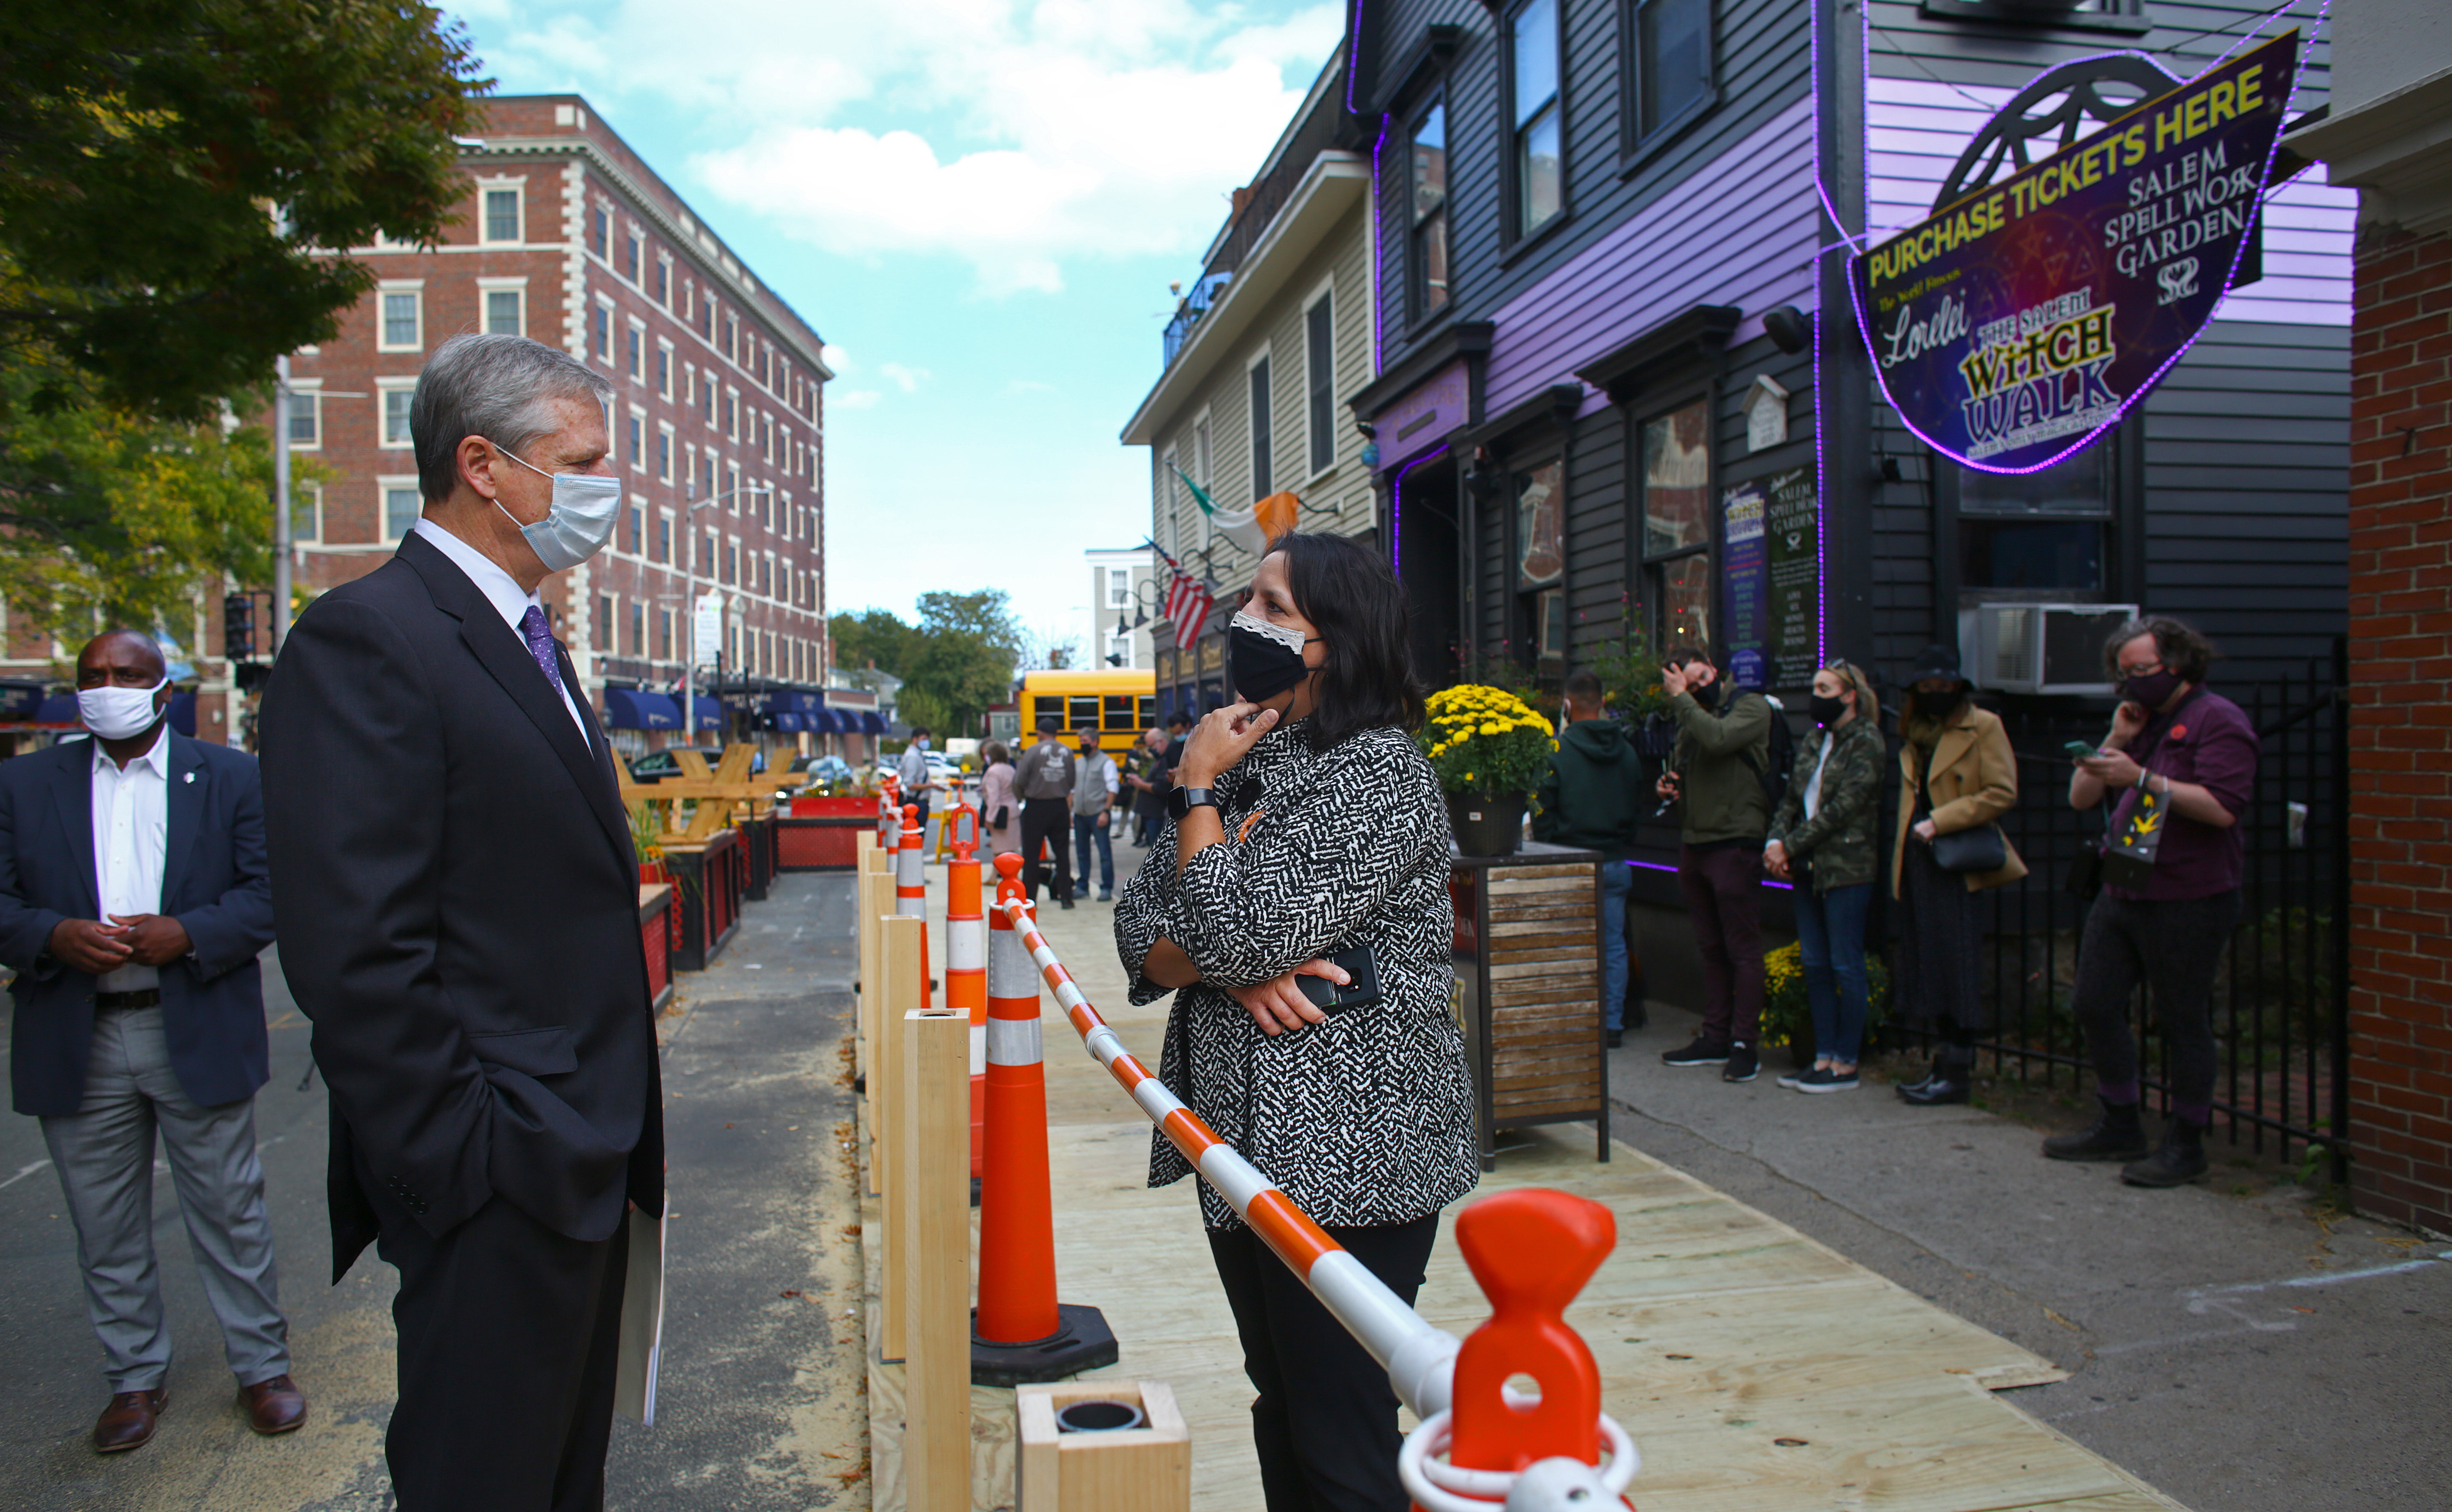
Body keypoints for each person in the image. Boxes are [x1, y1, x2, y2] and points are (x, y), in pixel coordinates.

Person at [258, 332, 664, 1510]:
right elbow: (356, 951)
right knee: (480, 1476)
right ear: (482, 465)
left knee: (559, 1477)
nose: (603, 490)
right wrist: (472, 1163)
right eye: (580, 461)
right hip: (503, 1174)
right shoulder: (370, 638)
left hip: (582, 1154)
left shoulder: (527, 636)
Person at [1114, 532, 1476, 1512]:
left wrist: (1192, 798)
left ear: (1335, 639)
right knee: (1279, 1399)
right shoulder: (1251, 754)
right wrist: (1231, 973)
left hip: (1353, 1156)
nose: (1245, 623)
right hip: (1239, 1146)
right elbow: (1138, 929)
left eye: (1274, 607)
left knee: (1338, 1428)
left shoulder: (1378, 773)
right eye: (1248, 600)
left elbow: (1227, 924)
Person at [0, 631, 298, 1454]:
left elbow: (272, 892)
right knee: (104, 1223)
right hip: (77, 1029)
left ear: (162, 688)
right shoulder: (23, 785)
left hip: (192, 1017)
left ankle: (262, 1367)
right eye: (93, 675)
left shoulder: (231, 777)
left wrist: (189, 933)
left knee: (230, 1207)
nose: (108, 687)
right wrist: (52, 934)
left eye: (126, 674)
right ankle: (133, 1378)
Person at [2045, 616, 2257, 1186]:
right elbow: (2079, 796)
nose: (2133, 683)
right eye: (2124, 675)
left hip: (2188, 894)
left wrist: (2142, 777)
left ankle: (2186, 1144)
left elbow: (2222, 807)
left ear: (2180, 664)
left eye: (2143, 671)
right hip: (2125, 883)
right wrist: (2115, 741)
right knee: (2094, 1001)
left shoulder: (2219, 720)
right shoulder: (2140, 723)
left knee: (2183, 1019)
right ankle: (2120, 1121)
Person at [1890, 644, 2026, 1107]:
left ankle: (1958, 1068)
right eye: (1926, 687)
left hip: (1956, 857)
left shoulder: (1982, 726)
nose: (1934, 694)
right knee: (1928, 962)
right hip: (1919, 858)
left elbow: (2001, 792)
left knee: (1957, 962)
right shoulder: (1916, 732)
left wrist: (1943, 820)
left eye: (1943, 687)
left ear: (1958, 688)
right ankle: (1942, 1063)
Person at [1653, 644, 1774, 1083]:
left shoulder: (1752, 707)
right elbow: (1687, 756)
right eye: (1688, 680)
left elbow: (1718, 739)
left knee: (1742, 949)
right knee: (1711, 948)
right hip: (1697, 840)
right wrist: (1669, 784)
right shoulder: (1692, 714)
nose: (1697, 687)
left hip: (1735, 841)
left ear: (1715, 671)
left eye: (1701, 677)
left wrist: (1681, 696)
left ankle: (1746, 1044)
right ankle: (1716, 1034)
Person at [1763, 661, 1885, 1093]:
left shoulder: (1867, 742)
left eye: (1825, 687)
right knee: (1815, 963)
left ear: (1849, 695)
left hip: (1847, 867)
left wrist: (1789, 846)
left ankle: (1846, 1061)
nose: (1817, 695)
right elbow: (1791, 798)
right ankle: (1821, 1056)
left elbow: (1842, 810)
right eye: (1815, 686)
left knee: (1844, 963)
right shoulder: (1816, 738)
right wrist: (1774, 843)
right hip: (1808, 868)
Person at [1532, 670, 1645, 1048]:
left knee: (1571, 947)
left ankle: (1576, 1022)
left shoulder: (1558, 752)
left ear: (1567, 706)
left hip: (1570, 861)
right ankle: (1611, 1023)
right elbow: (1636, 804)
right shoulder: (1628, 751)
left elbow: (1542, 807)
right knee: (1613, 945)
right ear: (1603, 704)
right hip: (1615, 860)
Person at [1013, 715, 1077, 909]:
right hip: (1059, 807)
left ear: (1040, 733)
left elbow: (1019, 781)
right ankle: (1066, 898)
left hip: (1036, 807)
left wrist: (1023, 797)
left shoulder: (1033, 751)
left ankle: (1030, 899)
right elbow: (1072, 780)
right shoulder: (1068, 752)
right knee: (1062, 855)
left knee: (1031, 856)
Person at [1071, 726, 1120, 902]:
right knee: (1082, 852)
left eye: (1085, 741)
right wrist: (1071, 810)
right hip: (1080, 815)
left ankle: (1107, 887)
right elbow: (1073, 789)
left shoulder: (1106, 762)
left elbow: (1113, 788)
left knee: (1104, 853)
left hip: (1098, 814)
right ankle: (1082, 886)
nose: (1082, 744)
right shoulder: (1078, 763)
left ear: (1095, 742)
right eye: (1081, 741)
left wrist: (1106, 812)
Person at [1123, 727, 1171, 846]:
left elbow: (1161, 787)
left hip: (1157, 814)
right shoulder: (1159, 759)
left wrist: (1140, 784)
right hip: (1151, 813)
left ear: (1161, 741)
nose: (1150, 750)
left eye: (1151, 747)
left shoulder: (1167, 760)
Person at [980, 741, 1021, 858]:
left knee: (999, 848)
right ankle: (1012, 874)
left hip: (1000, 814)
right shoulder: (1010, 769)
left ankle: (997, 874)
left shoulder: (993, 772)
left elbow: (994, 797)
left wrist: (990, 818)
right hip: (1013, 811)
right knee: (1011, 848)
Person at [896, 727, 934, 832]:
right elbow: (910, 784)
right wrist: (932, 786)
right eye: (924, 739)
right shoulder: (912, 757)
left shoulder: (917, 755)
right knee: (915, 834)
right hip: (917, 802)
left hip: (919, 801)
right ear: (915, 739)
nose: (926, 742)